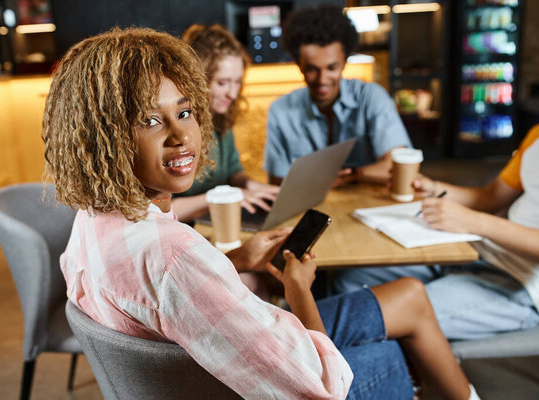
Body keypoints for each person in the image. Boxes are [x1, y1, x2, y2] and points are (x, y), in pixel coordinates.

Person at [43, 27, 479, 399]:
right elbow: (322, 385)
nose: (182, 136)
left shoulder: (91, 221)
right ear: (102, 138)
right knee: (390, 352)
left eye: (185, 112)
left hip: (192, 369)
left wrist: (232, 262)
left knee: (407, 296)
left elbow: (158, 296)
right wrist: (298, 291)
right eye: (150, 121)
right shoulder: (174, 255)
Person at [332, 125, 539, 341]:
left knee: (375, 314)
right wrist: (433, 187)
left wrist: (474, 222)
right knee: (350, 280)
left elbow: (480, 217)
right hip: (479, 253)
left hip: (522, 286)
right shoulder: (536, 135)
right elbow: (490, 197)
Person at [264, 4, 411, 187]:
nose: (322, 79)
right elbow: (277, 183)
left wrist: (354, 175)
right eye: (311, 69)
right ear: (299, 65)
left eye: (332, 67)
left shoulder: (372, 98)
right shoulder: (280, 110)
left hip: (369, 207)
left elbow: (398, 166)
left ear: (345, 63)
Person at [172, 24, 279, 222]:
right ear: (197, 81)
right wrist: (222, 198)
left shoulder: (220, 118)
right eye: (222, 83)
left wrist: (254, 186)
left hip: (214, 223)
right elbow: (160, 211)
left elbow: (232, 172)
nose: (232, 93)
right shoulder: (176, 129)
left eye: (237, 82)